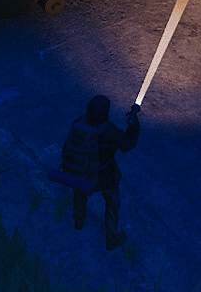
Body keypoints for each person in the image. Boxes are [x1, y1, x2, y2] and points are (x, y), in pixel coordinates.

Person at [58, 94, 141, 251]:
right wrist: (133, 124)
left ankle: (78, 222)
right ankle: (111, 239)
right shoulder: (108, 130)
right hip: (105, 176)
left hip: (81, 172)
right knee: (112, 204)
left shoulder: (79, 121)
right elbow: (128, 144)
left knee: (79, 195)